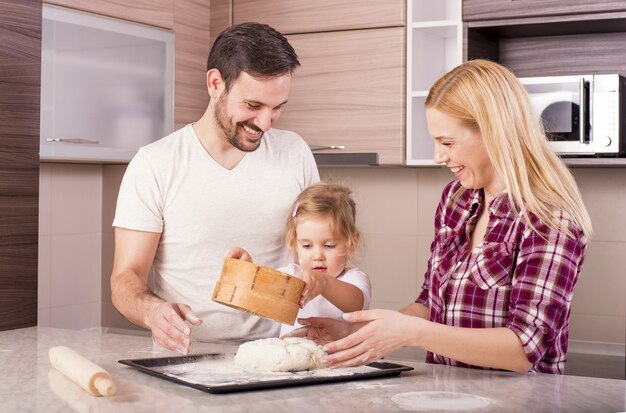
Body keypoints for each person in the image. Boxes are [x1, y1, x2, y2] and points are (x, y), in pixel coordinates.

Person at [289, 59, 592, 375]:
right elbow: (431, 303)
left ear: (493, 131)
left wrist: (411, 333)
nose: (438, 156)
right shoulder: (457, 199)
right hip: (445, 394)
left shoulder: (548, 214)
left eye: (447, 142)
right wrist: (358, 335)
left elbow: (523, 350)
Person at [110, 22, 319, 355]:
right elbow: (125, 277)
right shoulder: (155, 164)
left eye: (277, 107)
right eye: (253, 106)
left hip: (276, 357)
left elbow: (317, 263)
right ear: (215, 83)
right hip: (185, 361)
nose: (265, 123)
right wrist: (152, 311)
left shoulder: (294, 153)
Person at [276, 182, 371, 336]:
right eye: (307, 246)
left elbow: (356, 304)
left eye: (329, 245)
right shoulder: (291, 275)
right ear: (295, 243)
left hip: (339, 360)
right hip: (292, 359)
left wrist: (324, 283)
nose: (318, 256)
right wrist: (245, 269)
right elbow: (258, 290)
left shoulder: (353, 278)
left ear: (351, 243)